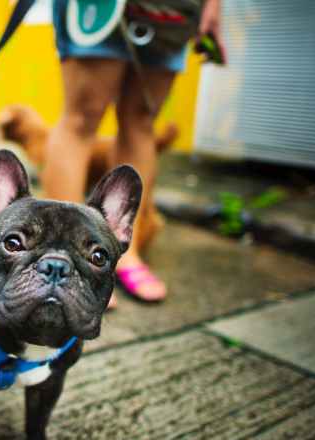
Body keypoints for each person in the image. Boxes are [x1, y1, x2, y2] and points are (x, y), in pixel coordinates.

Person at [40, 0, 225, 304]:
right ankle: (64, 254)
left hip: (173, 10)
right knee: (82, 117)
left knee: (141, 120)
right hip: (100, 8)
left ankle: (125, 253)